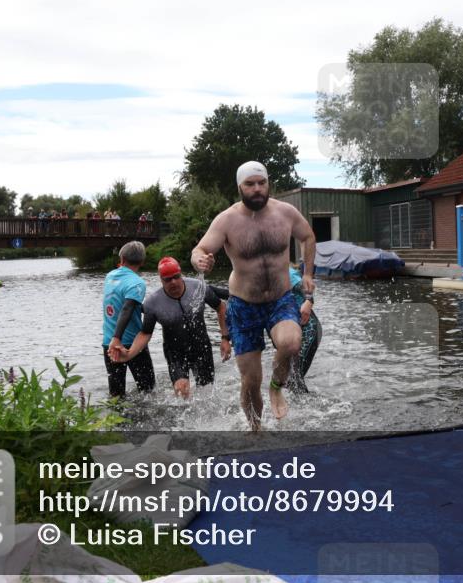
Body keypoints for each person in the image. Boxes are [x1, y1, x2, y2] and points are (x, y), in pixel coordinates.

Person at [192, 161, 316, 430]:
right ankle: (255, 429)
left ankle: (277, 387)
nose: (257, 189)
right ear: (240, 187)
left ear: (268, 183)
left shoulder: (286, 213)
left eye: (262, 183)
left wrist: (308, 273)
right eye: (250, 184)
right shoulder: (227, 220)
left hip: (280, 299)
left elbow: (307, 237)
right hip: (243, 305)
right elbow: (199, 249)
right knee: (250, 382)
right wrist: (201, 261)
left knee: (291, 343)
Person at [111, 257, 232, 398]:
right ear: (161, 280)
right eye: (168, 279)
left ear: (181, 275)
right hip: (175, 353)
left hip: (201, 348)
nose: (173, 282)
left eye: (176, 277)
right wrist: (129, 353)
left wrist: (225, 338)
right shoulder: (153, 302)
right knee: (182, 392)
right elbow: (145, 333)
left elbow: (220, 307)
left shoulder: (198, 287)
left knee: (207, 392)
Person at [211, 265, 319, 393]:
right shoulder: (255, 280)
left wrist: (308, 302)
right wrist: (207, 289)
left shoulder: (285, 272)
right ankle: (302, 407)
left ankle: (308, 409)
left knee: (294, 378)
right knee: (289, 379)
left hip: (308, 329)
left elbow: (307, 288)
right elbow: (235, 297)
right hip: (286, 332)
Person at [102, 241, 154, 397]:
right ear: (142, 262)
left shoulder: (109, 276)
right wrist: (117, 338)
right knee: (148, 390)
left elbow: (122, 305)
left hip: (108, 343)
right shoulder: (137, 283)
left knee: (116, 395)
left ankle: (118, 422)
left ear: (122, 258)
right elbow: (127, 308)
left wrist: (113, 339)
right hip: (131, 344)